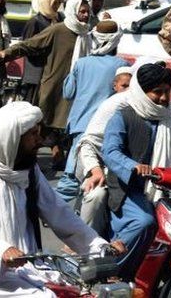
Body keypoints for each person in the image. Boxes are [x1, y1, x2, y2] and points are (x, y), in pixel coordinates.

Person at [0, 102, 121, 297]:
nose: (39, 140)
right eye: (33, 134)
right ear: (12, 138)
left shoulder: (30, 171)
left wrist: (100, 247)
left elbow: (61, 215)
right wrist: (1, 250)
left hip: (33, 267)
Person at [103, 63, 171, 276]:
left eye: (166, 92)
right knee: (145, 222)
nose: (163, 98)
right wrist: (133, 167)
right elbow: (110, 152)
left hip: (170, 188)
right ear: (142, 92)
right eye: (156, 92)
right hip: (130, 189)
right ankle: (113, 270)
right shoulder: (123, 115)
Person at [0, 0, 93, 163]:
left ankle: (62, 158)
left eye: (87, 12)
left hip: (78, 88)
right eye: (82, 11)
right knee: (44, 123)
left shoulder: (87, 35)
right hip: (54, 86)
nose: (85, 15)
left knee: (70, 124)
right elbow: (31, 44)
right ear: (72, 11)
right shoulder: (58, 30)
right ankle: (28, 160)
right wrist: (8, 53)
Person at [56, 21, 128, 203]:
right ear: (116, 41)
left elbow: (68, 92)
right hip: (107, 128)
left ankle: (63, 210)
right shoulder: (122, 66)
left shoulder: (82, 63)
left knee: (76, 171)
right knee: (87, 174)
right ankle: (57, 211)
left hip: (81, 125)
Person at [74, 65, 134, 235]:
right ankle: (82, 241)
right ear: (114, 86)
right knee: (97, 196)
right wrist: (96, 171)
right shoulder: (113, 106)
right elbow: (89, 143)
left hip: (130, 173)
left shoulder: (161, 113)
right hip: (98, 166)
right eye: (124, 86)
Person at [19, 0, 63, 102]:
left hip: (53, 70)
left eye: (58, 2)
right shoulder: (35, 22)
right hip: (36, 73)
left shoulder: (59, 19)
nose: (57, 5)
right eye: (54, 2)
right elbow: (26, 46)